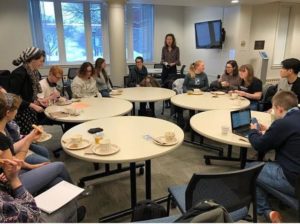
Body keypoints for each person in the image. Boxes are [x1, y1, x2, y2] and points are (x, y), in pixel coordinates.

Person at [0, 92, 72, 196]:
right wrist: (29, 139)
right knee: (60, 166)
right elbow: (14, 168)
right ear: (7, 112)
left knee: (57, 180)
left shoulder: (4, 129)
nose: (17, 112)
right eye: (16, 109)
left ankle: (72, 205)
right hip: (9, 186)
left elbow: (12, 156)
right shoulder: (2, 138)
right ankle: (76, 196)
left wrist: (32, 166)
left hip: (11, 177)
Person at [248, 91, 300, 222]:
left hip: (293, 179)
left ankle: (266, 211)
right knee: (264, 170)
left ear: (280, 109)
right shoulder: (294, 118)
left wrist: (253, 130)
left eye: (273, 109)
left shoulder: (283, 123)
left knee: (251, 169)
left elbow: (259, 145)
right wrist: (271, 131)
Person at [0, 158, 86, 223]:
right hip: (12, 195)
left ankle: (73, 213)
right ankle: (74, 207)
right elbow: (32, 216)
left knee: (57, 181)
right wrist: (14, 179)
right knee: (69, 202)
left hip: (6, 187)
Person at [9, 47, 46, 135]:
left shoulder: (35, 73)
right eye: (40, 61)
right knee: (26, 136)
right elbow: (13, 97)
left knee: (33, 134)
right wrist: (32, 105)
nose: (42, 64)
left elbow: (30, 94)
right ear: (32, 59)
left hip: (29, 109)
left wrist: (38, 100)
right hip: (20, 112)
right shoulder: (18, 74)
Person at [161, 33, 181, 108]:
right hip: (165, 69)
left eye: (170, 39)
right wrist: (164, 62)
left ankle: (171, 101)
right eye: (167, 39)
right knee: (165, 86)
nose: (169, 40)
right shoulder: (164, 48)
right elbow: (162, 59)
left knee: (171, 85)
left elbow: (178, 60)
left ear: (173, 40)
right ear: (165, 40)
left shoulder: (177, 48)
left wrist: (173, 63)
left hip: (172, 69)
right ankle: (166, 102)